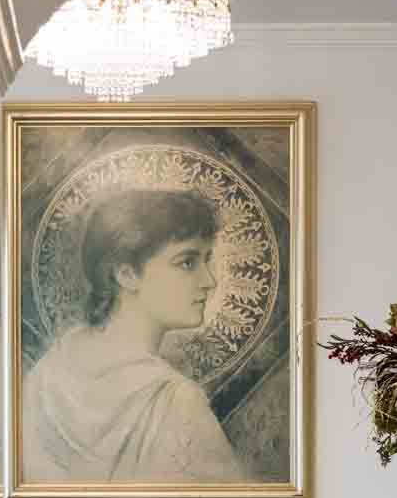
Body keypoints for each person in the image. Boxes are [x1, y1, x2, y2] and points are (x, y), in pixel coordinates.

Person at [22, 188, 244, 483]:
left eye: (207, 260)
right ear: (126, 275)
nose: (210, 281)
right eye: (187, 262)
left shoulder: (48, 373)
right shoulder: (175, 402)